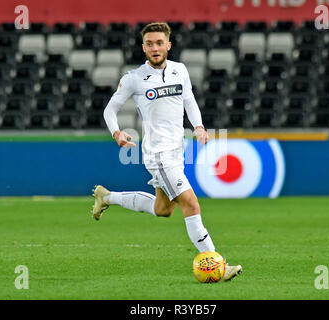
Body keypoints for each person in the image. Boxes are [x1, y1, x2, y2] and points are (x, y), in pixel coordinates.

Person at [93, 22, 242, 282]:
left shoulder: (179, 71)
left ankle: (107, 197)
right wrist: (117, 132)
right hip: (158, 155)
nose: (155, 48)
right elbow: (110, 109)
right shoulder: (134, 78)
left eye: (159, 43)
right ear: (143, 47)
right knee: (191, 203)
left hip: (176, 152)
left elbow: (189, 100)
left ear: (168, 45)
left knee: (163, 209)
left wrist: (198, 126)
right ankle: (217, 263)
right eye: (149, 44)